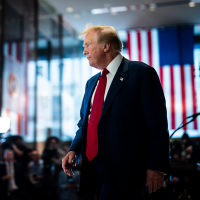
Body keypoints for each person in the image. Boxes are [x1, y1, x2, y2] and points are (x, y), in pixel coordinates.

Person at [62, 25, 169, 200]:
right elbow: (86, 124)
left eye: (88, 45)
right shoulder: (91, 83)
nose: (84, 51)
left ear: (106, 46)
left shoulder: (141, 73)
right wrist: (74, 149)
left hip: (126, 172)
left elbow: (156, 124)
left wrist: (156, 167)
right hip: (90, 171)